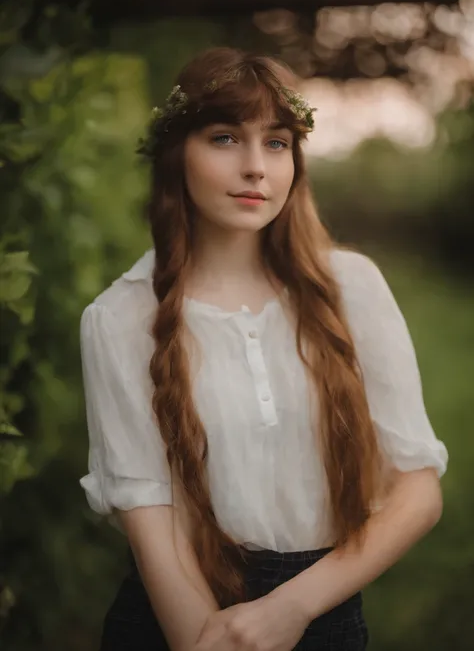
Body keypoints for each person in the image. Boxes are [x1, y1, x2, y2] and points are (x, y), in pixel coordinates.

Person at [79, 47, 448, 651]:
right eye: (225, 138)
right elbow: (154, 528)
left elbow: (417, 491)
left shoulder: (350, 288)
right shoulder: (120, 318)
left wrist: (292, 607)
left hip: (323, 609)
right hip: (177, 619)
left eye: (276, 143)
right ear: (178, 155)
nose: (256, 167)